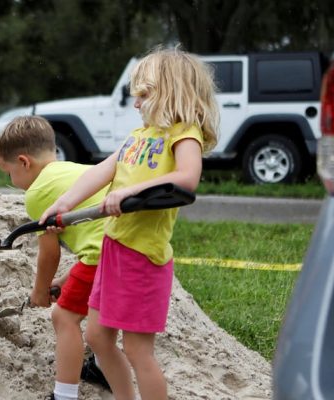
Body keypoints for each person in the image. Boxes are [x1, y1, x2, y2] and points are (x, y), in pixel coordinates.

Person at [40, 47, 219, 400]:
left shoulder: (183, 134)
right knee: (97, 337)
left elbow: (187, 178)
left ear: (171, 90)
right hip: (114, 250)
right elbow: (101, 172)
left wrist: (130, 192)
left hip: (142, 258)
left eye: (144, 94)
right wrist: (62, 203)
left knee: (138, 350)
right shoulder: (138, 138)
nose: (136, 104)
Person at [0, 115, 113, 400]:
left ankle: (64, 395)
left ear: (24, 162)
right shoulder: (76, 171)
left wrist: (39, 291)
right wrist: (62, 281)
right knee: (101, 316)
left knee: (64, 318)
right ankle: (100, 367)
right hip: (121, 251)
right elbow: (98, 240)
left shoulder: (38, 193)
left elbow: (50, 252)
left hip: (102, 257)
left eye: (8, 173)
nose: (11, 181)